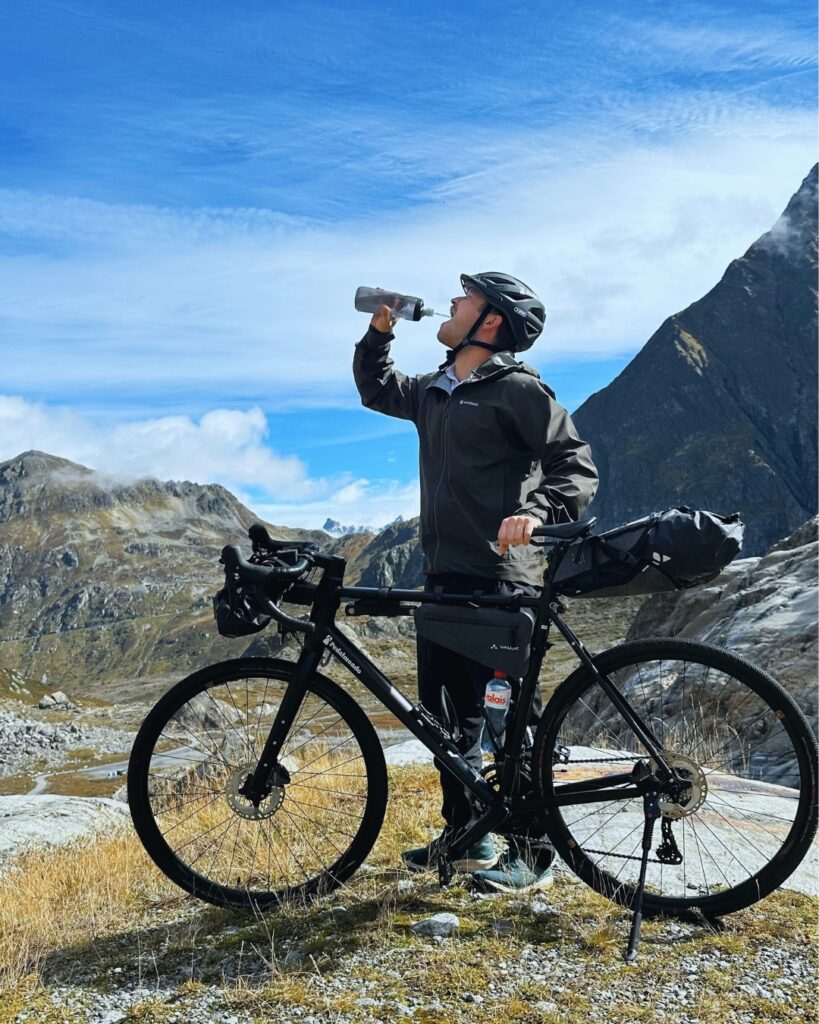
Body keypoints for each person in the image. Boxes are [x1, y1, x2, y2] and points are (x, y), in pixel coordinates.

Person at [352, 272, 599, 892]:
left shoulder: (517, 389)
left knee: (509, 719)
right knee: (447, 719)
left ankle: (534, 851)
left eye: (465, 296)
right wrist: (379, 333)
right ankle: (467, 836)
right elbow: (376, 388)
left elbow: (575, 465)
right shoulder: (435, 390)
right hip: (444, 577)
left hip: (500, 578)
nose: (452, 300)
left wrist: (538, 513)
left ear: (491, 320)